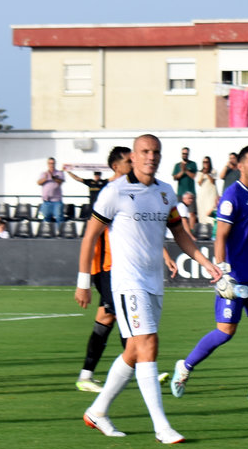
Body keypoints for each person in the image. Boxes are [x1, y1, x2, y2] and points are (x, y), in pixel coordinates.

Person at [75, 134, 222, 444]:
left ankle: (97, 411)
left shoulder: (165, 193)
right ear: (134, 155)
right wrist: (83, 282)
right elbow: (90, 237)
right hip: (127, 282)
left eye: (155, 152)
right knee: (149, 343)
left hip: (153, 282)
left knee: (133, 350)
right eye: (144, 151)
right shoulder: (114, 192)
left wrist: (204, 261)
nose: (150, 156)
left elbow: (179, 232)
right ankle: (161, 427)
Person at [170, 145, 248, 403]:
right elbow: (220, 236)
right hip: (235, 277)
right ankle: (185, 366)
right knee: (225, 332)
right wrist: (223, 273)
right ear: (241, 166)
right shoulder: (232, 196)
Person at [74, 147, 178, 393]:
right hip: (108, 268)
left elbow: (142, 230)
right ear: (116, 166)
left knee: (109, 318)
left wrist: (163, 253)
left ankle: (93, 374)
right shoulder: (109, 193)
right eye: (127, 162)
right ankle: (139, 366)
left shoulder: (138, 190)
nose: (132, 165)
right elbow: (92, 236)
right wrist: (85, 280)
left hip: (121, 268)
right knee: (123, 319)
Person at [37, 157, 66, 233]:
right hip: (46, 201)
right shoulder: (44, 174)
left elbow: (60, 181)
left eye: (53, 163)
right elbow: (39, 182)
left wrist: (53, 177)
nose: (51, 165)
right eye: (50, 163)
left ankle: (61, 233)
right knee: (46, 218)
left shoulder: (59, 173)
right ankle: (47, 233)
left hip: (57, 201)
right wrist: (46, 178)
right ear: (47, 164)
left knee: (59, 217)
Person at [195, 156, 218, 226]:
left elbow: (213, 181)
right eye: (204, 162)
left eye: (206, 162)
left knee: (211, 212)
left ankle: (213, 229)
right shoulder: (199, 172)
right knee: (202, 213)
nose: (205, 164)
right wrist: (203, 174)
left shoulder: (213, 171)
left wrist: (207, 173)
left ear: (209, 163)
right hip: (203, 196)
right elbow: (199, 183)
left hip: (211, 195)